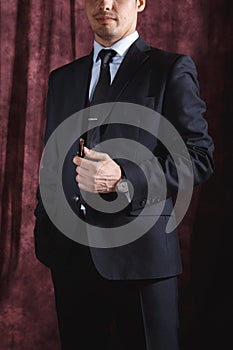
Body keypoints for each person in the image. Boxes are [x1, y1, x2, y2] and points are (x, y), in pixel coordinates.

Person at [34, 0, 214, 349]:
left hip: (143, 262)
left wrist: (124, 180)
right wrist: (46, 227)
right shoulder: (63, 78)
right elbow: (51, 162)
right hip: (71, 259)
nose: (105, 4)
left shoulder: (169, 69)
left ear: (140, 3)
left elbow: (200, 156)